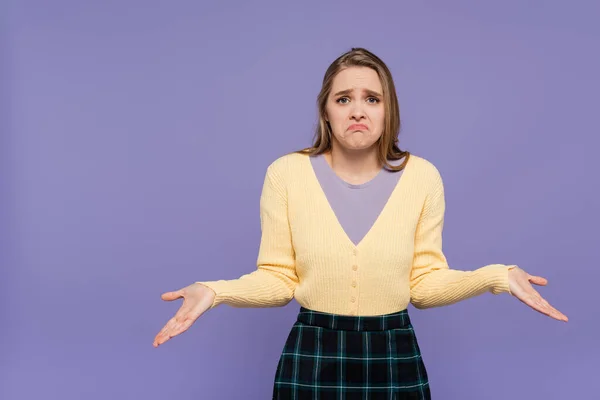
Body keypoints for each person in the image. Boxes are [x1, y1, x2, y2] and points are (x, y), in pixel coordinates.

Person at [152, 47, 568, 399]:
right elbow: (278, 280)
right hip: (312, 352)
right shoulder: (286, 174)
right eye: (343, 98)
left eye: (372, 98)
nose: (357, 110)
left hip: (392, 349)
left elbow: (423, 284)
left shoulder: (422, 177)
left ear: (389, 112)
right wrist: (214, 292)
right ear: (325, 111)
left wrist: (497, 276)